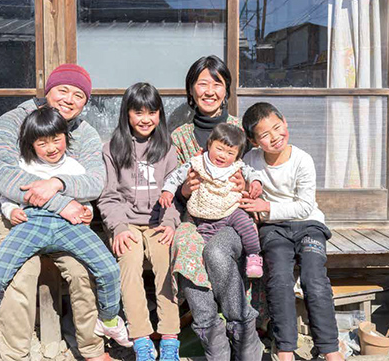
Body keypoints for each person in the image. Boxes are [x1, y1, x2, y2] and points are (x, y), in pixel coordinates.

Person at [0, 64, 121, 361]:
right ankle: (13, 354)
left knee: (82, 271)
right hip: (19, 214)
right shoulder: (12, 121)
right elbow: (8, 179)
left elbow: (94, 182)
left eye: (78, 95)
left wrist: (58, 182)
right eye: (62, 90)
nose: (69, 99)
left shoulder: (85, 134)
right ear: (47, 91)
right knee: (21, 272)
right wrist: (61, 201)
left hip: (69, 222)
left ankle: (92, 349)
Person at [169, 55, 263, 361]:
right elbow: (174, 190)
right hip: (195, 220)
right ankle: (215, 346)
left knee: (217, 252)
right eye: (202, 83)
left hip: (234, 221)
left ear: (227, 90)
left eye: (217, 83)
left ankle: (243, 335)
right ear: (191, 90)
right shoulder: (180, 137)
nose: (209, 91)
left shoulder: (240, 129)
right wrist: (183, 191)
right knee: (186, 250)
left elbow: (259, 175)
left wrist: (250, 189)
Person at [240, 102, 343, 361]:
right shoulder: (250, 161)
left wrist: (266, 206)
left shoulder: (302, 160)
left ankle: (330, 348)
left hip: (309, 225)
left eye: (277, 127)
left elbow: (305, 206)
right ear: (254, 141)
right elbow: (239, 178)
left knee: (314, 279)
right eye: (265, 134)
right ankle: (285, 348)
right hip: (273, 230)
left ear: (285, 122)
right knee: (279, 279)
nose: (275, 137)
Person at [97, 83, 181, 361]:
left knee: (165, 262)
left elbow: (176, 194)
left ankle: (170, 337)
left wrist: (170, 222)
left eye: (152, 112)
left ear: (160, 114)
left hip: (159, 221)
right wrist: (118, 227)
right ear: (127, 114)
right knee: (129, 263)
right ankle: (141, 337)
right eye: (138, 112)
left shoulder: (168, 148)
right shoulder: (111, 148)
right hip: (126, 223)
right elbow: (108, 196)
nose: (146, 119)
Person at [160, 123, 264, 278]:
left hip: (231, 210)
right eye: (219, 149)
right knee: (204, 248)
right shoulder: (197, 162)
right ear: (209, 144)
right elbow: (176, 176)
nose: (223, 155)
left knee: (246, 225)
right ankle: (204, 280)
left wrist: (255, 182)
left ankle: (254, 256)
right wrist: (168, 191)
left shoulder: (237, 166)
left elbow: (252, 173)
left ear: (237, 156)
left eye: (230, 152)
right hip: (203, 216)